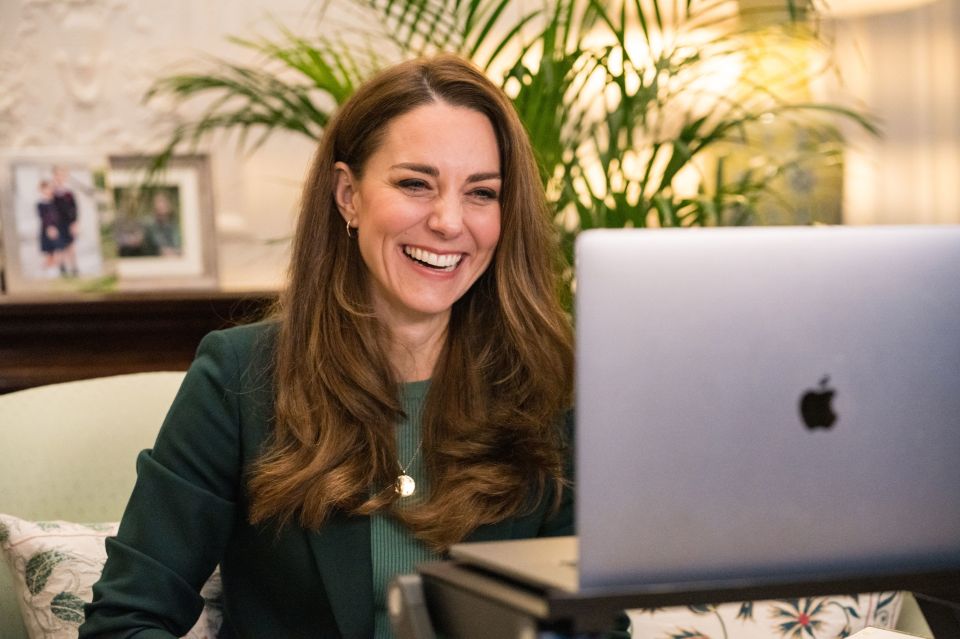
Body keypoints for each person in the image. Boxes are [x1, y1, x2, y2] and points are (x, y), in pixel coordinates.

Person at [80, 53, 575, 639]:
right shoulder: (238, 378)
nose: (448, 221)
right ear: (348, 195)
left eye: (481, 193)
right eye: (416, 183)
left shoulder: (550, 386)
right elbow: (126, 619)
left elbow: (592, 625)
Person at [51, 165, 79, 276]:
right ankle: (62, 269)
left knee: (70, 246)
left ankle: (74, 269)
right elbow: (49, 210)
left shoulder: (69, 193)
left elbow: (74, 208)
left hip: (68, 223)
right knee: (60, 247)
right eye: (58, 175)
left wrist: (75, 223)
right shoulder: (52, 192)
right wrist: (51, 225)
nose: (60, 177)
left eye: (62, 175)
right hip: (57, 223)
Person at [36, 179, 64, 277]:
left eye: (50, 188)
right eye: (46, 188)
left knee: (56, 250)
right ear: (42, 190)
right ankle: (47, 269)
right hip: (48, 229)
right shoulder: (41, 203)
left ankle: (53, 269)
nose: (49, 190)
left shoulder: (53, 201)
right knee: (50, 252)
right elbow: (44, 217)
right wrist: (49, 227)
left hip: (56, 228)